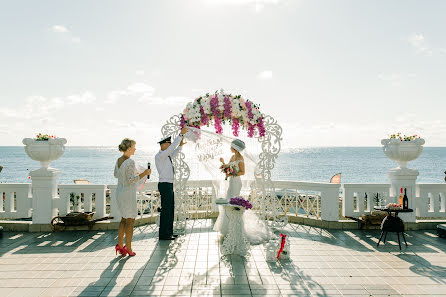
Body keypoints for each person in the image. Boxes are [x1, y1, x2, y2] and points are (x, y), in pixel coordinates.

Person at [213, 139, 272, 245]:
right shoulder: (232, 157)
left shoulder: (240, 158)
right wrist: (222, 163)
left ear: (235, 148)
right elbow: (228, 167)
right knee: (228, 202)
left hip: (236, 182)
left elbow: (242, 172)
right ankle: (228, 229)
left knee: (233, 203)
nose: (230, 148)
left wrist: (232, 174)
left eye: (231, 147)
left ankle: (236, 228)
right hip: (231, 182)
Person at [114, 138, 151, 256]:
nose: (135, 149)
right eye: (134, 147)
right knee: (130, 220)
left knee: (124, 219)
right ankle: (128, 247)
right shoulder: (130, 162)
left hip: (120, 192)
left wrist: (131, 173)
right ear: (129, 148)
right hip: (128, 193)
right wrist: (144, 174)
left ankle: (120, 246)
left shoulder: (119, 160)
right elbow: (131, 180)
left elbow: (116, 175)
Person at [155, 127, 188, 240]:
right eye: (168, 144)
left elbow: (174, 152)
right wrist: (180, 135)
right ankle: (164, 234)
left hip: (168, 184)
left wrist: (180, 145)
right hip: (164, 184)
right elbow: (171, 150)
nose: (169, 146)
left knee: (170, 209)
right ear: (163, 145)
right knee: (166, 210)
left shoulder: (166, 156)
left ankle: (169, 232)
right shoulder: (160, 155)